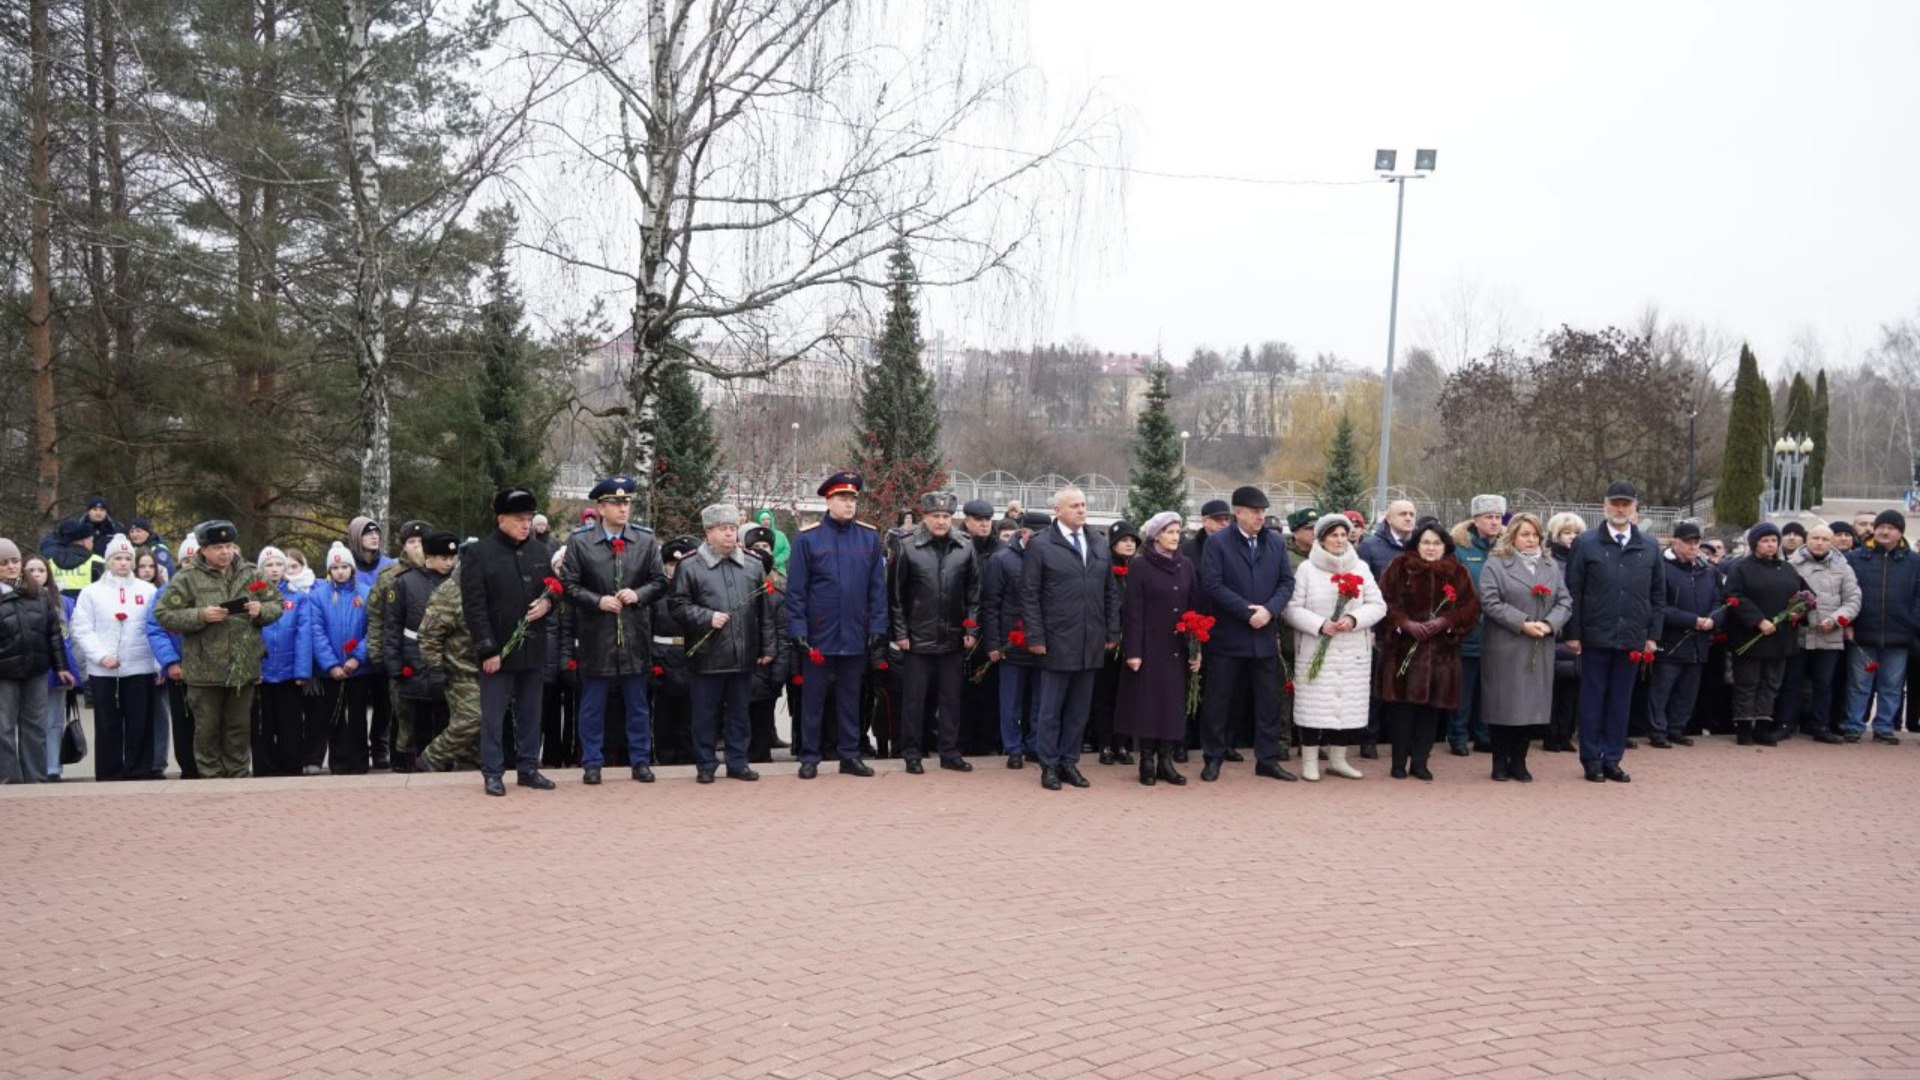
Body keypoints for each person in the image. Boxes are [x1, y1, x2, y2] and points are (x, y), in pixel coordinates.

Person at [153, 521, 285, 778]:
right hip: (204, 669)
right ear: (203, 550)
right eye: (218, 547)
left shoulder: (251, 573)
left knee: (238, 727)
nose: (225, 552)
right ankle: (211, 777)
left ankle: (238, 775)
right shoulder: (187, 578)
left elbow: (277, 603)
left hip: (242, 666)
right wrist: (201, 615)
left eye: (229, 546)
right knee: (207, 728)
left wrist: (261, 611)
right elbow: (164, 614)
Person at [562, 475, 670, 785]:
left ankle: (640, 760)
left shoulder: (645, 540)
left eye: (626, 503)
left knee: (637, 705)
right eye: (616, 503)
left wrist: (638, 595)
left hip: (635, 636)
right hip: (598, 637)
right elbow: (568, 586)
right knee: (592, 706)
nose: (623, 509)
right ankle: (592, 763)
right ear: (600, 507)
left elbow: (660, 582)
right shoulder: (581, 541)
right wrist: (598, 601)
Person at [787, 472, 888, 779]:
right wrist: (799, 631)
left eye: (853, 499)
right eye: (843, 499)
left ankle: (849, 754)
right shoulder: (808, 538)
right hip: (819, 632)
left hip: (856, 631)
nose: (849, 504)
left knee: (851, 698)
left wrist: (877, 627)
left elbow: (876, 589)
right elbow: (796, 591)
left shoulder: (869, 537)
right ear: (828, 501)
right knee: (814, 699)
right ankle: (810, 756)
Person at [1022, 486, 1121, 790]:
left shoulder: (1097, 542)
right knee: (1051, 710)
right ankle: (1048, 765)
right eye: (1074, 505)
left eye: (1083, 505)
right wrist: (1036, 636)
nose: (1081, 510)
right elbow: (1030, 595)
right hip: (1055, 640)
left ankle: (1069, 762)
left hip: (1090, 640)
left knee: (1079, 710)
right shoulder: (1041, 545)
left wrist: (1112, 631)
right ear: (1058, 511)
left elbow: (1110, 592)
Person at [462, 488, 560, 796]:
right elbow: (474, 608)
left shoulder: (539, 551)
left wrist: (549, 605)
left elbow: (553, 591)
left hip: (532, 647)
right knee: (493, 714)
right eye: (519, 519)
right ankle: (493, 772)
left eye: (529, 519)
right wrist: (487, 649)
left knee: (532, 712)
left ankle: (529, 767)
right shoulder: (479, 554)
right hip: (498, 651)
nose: (525, 525)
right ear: (501, 518)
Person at [1565, 482, 1665, 783]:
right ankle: (1591, 759)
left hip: (1632, 635)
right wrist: (1574, 632)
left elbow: (1658, 594)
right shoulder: (1586, 542)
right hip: (1595, 635)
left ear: (1635, 506)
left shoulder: (1649, 545)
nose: (1620, 509)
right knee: (1593, 699)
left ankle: (1612, 758)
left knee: (1621, 701)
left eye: (1626, 504)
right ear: (1605, 505)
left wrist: (1652, 635)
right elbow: (1574, 589)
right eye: (1615, 503)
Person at [1197, 486, 1298, 782]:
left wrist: (1269, 610)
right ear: (1237, 512)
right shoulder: (1218, 543)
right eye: (1254, 511)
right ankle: (1213, 757)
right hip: (1229, 635)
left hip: (1264, 635)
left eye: (1263, 512)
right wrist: (1246, 610)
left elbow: (1286, 583)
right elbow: (1212, 585)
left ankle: (1266, 760)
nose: (1260, 517)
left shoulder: (1275, 542)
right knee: (1219, 700)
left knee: (1268, 702)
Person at [670, 504, 775, 783]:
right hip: (708, 655)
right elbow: (677, 605)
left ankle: (738, 762)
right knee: (705, 714)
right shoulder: (690, 565)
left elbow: (764, 609)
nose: (729, 535)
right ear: (707, 532)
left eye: (732, 529)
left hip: (743, 653)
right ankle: (706, 763)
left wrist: (767, 646)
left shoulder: (752, 564)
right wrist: (706, 617)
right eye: (722, 529)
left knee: (740, 713)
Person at [1283, 514, 1385, 780]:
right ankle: (1309, 760)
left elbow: (1378, 605)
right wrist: (1319, 625)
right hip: (1318, 645)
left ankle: (1338, 759)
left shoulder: (1360, 567)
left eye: (1343, 534)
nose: (1339, 540)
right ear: (1322, 539)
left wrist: (1354, 618)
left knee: (1346, 707)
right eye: (1333, 535)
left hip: (1352, 648)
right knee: (1312, 707)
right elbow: (1291, 609)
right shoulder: (1307, 569)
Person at [1375, 521, 1479, 781]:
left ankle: (1420, 762)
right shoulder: (1399, 567)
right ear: (1416, 544)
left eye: (1436, 543)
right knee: (1402, 710)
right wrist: (1404, 623)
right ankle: (1398, 763)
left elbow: (1470, 608)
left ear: (1445, 546)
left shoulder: (1458, 572)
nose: (1431, 548)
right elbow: (1383, 601)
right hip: (1403, 650)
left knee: (1430, 711)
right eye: (1425, 542)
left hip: (1440, 653)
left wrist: (1445, 622)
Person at [887, 491, 981, 773]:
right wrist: (901, 633)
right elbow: (895, 595)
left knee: (951, 699)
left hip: (953, 637)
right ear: (924, 517)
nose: (941, 521)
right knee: (915, 701)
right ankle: (912, 752)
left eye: (946, 516)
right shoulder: (907, 546)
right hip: (917, 638)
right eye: (935, 516)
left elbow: (974, 592)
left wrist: (971, 628)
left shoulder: (965, 546)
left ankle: (949, 752)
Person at [1475, 513, 1569, 782]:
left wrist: (1550, 624)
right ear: (1513, 536)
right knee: (1504, 705)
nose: (1531, 540)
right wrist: (1524, 623)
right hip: (1507, 644)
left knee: (1530, 706)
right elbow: (1490, 601)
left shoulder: (1550, 565)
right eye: (1525, 534)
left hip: (1539, 644)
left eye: (1535, 535)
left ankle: (1519, 761)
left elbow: (1565, 601)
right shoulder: (1496, 563)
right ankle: (1499, 761)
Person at [1117, 511, 1199, 786]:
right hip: (1150, 644)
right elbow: (1133, 611)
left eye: (1178, 532)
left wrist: (1196, 648)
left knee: (1172, 704)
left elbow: (1194, 608)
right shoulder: (1141, 565)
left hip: (1177, 646)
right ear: (1156, 536)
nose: (1176, 537)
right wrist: (1133, 651)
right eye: (1170, 532)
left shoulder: (1185, 565)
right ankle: (1147, 760)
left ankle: (1167, 760)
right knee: (1149, 704)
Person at [71, 534, 160, 780]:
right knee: (108, 725)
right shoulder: (91, 592)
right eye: (117, 558)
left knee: (140, 723)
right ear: (109, 561)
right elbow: (81, 628)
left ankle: (140, 770)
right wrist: (101, 657)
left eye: (127, 558)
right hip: (105, 671)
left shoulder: (148, 590)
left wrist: (157, 664)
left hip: (140, 668)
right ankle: (109, 773)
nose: (122, 563)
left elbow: (156, 627)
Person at [1722, 523, 1804, 746]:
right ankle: (1744, 728)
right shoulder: (1740, 568)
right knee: (1747, 682)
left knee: (1771, 683)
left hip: (1780, 637)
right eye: (1765, 540)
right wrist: (1758, 620)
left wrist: (1799, 610)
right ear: (1755, 544)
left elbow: (1803, 595)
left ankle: (1763, 726)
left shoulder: (1787, 569)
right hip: (1750, 636)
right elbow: (1733, 596)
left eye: (1774, 541)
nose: (1771, 545)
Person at [0, 539, 74, 783]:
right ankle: (9, 780)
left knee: (35, 727)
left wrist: (61, 667)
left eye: (14, 561)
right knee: (4, 728)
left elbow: (53, 634)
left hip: (36, 671)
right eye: (3, 563)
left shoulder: (38, 594)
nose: (11, 567)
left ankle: (35, 780)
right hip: (4, 673)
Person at [1778, 524, 1859, 744]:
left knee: (1824, 684)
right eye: (1815, 538)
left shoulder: (1843, 567)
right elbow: (1780, 596)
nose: (1820, 542)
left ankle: (1821, 726)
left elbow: (1853, 600)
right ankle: (1784, 724)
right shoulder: (1790, 565)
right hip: (1798, 634)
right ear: (1807, 539)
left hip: (1828, 635)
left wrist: (1835, 620)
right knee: (1791, 682)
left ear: (1831, 542)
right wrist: (1793, 613)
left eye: (1825, 539)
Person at [1842, 510, 1918, 744]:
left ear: (1900, 533)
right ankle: (1854, 725)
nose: (1885, 531)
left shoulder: (1915, 561)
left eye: (1891, 528)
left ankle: (1884, 726)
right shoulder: (1856, 558)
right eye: (1881, 527)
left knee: (1892, 685)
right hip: (1863, 632)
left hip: (1899, 635)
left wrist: (1912, 623)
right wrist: (1850, 623)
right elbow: (1847, 592)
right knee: (1859, 684)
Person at [982, 510, 1050, 769]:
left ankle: (1034, 744)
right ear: (1023, 532)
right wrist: (993, 644)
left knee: (1041, 701)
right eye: (1036, 533)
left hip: (1043, 642)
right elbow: (991, 605)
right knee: (1010, 701)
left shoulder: (1049, 558)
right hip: (1012, 642)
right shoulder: (1002, 560)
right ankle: (1013, 747)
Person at [300, 543, 373, 773]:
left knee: (358, 717)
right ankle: (339, 763)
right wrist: (331, 665)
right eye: (335, 567)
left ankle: (360, 762)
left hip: (358, 670)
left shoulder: (365, 593)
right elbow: (316, 632)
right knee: (334, 717)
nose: (340, 571)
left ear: (352, 568)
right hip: (330, 672)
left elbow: (374, 629)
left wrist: (357, 658)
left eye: (344, 566)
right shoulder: (318, 596)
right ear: (329, 570)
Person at [1648, 522, 1722, 749]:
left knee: (1687, 691)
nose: (1693, 547)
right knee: (1662, 690)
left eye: (1696, 542)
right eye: (1687, 542)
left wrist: (1714, 619)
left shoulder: (1707, 569)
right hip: (1670, 641)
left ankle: (1676, 728)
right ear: (1674, 542)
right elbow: (1658, 605)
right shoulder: (1661, 567)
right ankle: (1657, 731)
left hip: (1698, 643)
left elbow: (1719, 600)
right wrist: (1691, 620)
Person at [364, 520, 430, 771]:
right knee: (401, 712)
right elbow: (377, 617)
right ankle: (401, 762)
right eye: (412, 543)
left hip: (432, 655)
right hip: (400, 655)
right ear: (403, 546)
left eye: (422, 542)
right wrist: (379, 654)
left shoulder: (442, 572)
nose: (417, 547)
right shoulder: (389, 576)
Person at [1446, 494, 1504, 756]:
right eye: (1488, 517)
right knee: (1464, 688)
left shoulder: (1505, 547)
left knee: (1489, 688)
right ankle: (1458, 735)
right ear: (1475, 519)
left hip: (1499, 631)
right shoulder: (1461, 548)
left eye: (1498, 517)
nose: (1494, 522)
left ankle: (1483, 734)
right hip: (1469, 630)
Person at [416, 565, 484, 774]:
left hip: (483, 667)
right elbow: (429, 636)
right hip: (458, 670)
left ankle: (468, 766)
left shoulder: (483, 587)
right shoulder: (449, 592)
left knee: (478, 727)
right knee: (473, 717)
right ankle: (431, 757)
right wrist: (436, 669)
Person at [23, 557, 80, 781]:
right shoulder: (13, 598)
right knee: (28, 721)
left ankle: (52, 767)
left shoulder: (64, 602)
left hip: (58, 669)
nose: (36, 574)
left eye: (40, 570)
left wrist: (73, 672)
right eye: (31, 570)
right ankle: (30, 767)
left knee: (54, 720)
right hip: (28, 667)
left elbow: (71, 639)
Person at [251, 547, 306, 775]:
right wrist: (252, 667)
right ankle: (265, 769)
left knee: (290, 724)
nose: (274, 569)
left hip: (289, 673)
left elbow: (303, 636)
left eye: (278, 564)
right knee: (263, 725)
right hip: (260, 674)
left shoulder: (298, 597)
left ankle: (292, 768)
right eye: (269, 565)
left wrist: (301, 671)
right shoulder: (252, 598)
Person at [1089, 519, 1139, 766]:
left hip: (1133, 643)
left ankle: (1123, 744)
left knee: (1127, 696)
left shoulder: (1139, 570)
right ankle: (1105, 744)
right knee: (1104, 695)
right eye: (1124, 540)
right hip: (1108, 642)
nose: (1129, 544)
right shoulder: (1103, 569)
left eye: (1132, 540)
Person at [742, 527, 792, 763]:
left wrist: (778, 674)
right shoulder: (740, 595)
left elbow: (783, 637)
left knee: (762, 716)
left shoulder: (777, 596)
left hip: (767, 669)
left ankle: (760, 756)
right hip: (742, 665)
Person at [649, 536, 699, 767]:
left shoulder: (695, 591)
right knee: (664, 711)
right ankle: (665, 753)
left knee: (690, 709)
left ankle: (688, 752)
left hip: (689, 654)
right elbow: (646, 627)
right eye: (670, 564)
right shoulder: (656, 592)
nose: (674, 569)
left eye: (678, 565)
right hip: (663, 655)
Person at [47, 518, 103, 599]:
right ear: (84, 542)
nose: (92, 544)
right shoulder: (97, 561)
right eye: (91, 540)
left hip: (59, 609)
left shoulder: (50, 562)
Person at [751, 509, 791, 575]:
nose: (766, 521)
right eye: (763, 519)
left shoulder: (780, 535)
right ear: (759, 521)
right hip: (759, 571)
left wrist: (775, 561)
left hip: (779, 571)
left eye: (768, 519)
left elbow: (787, 550)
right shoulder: (754, 536)